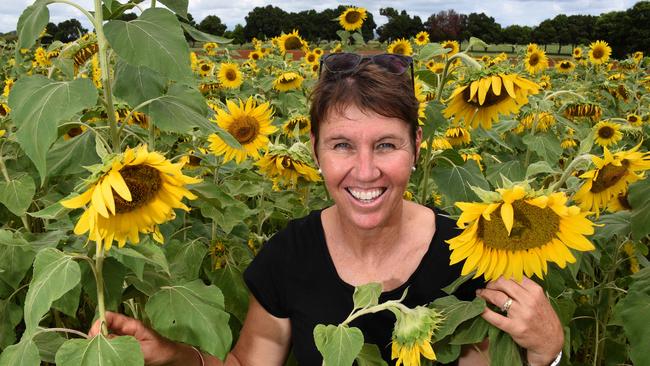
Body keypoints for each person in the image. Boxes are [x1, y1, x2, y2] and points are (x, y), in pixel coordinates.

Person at [89, 53, 564, 366]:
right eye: (341, 145)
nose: (364, 170)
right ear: (314, 150)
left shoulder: (477, 248)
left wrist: (549, 352)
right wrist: (170, 354)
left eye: (385, 145)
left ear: (417, 147)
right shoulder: (289, 257)